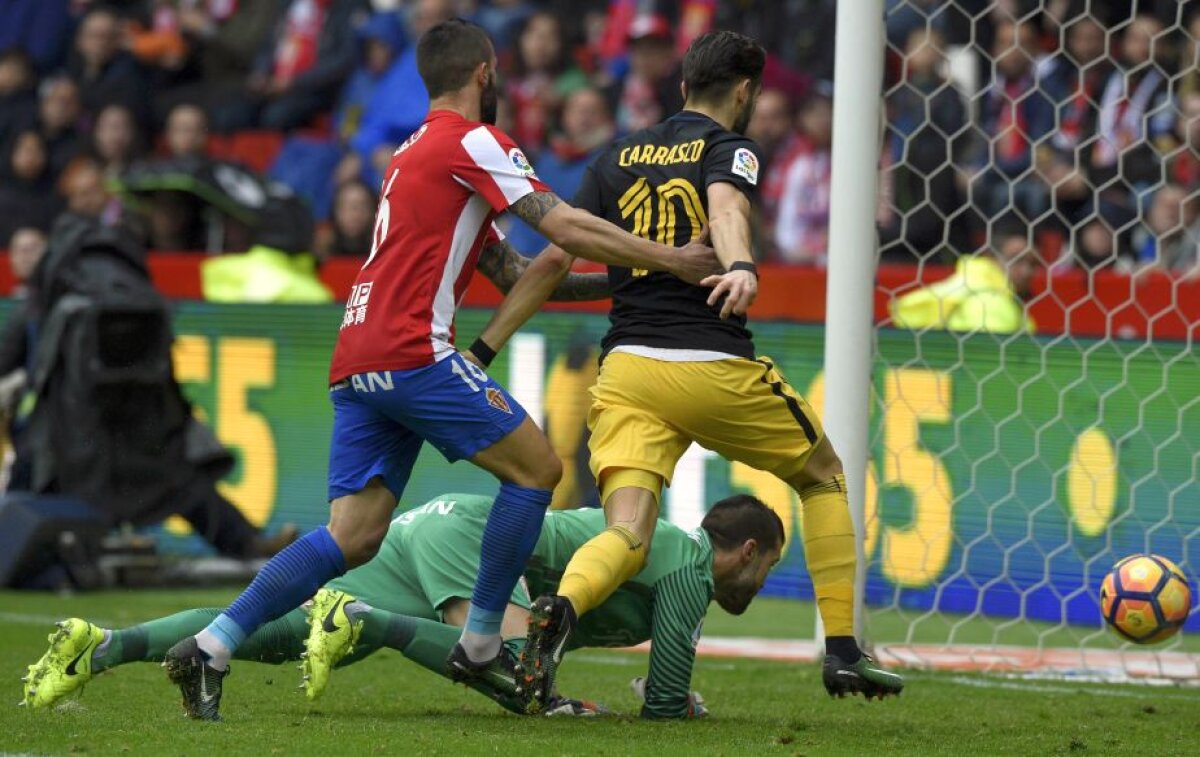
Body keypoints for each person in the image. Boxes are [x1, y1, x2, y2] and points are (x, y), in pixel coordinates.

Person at [161, 17, 720, 723]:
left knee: (353, 533)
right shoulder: (475, 141)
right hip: (410, 348)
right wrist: (674, 258)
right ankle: (484, 642)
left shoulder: (409, 156)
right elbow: (565, 228)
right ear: (485, 73)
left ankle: (213, 643)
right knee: (536, 470)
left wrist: (636, 278)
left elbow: (519, 270)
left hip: (357, 355)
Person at [471, 30, 904, 713]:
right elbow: (728, 207)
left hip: (626, 370)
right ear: (743, 94)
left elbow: (558, 254)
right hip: (706, 362)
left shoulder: (617, 153)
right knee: (822, 474)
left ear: (680, 89)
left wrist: (490, 342)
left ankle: (560, 610)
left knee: (628, 534)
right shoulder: (729, 148)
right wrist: (739, 265)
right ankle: (844, 648)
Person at [22, 491, 783, 720]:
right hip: (478, 538)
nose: (757, 584)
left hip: (440, 524)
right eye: (766, 567)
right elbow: (667, 700)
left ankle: (102, 644)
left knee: (279, 633)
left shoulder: (662, 548)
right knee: (519, 677)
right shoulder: (686, 562)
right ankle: (367, 621)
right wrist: (679, 703)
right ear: (746, 550)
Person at [890, 226, 1038, 334]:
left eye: (1033, 264)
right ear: (990, 258)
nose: (1026, 272)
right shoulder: (989, 302)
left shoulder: (972, 288)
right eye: (1016, 260)